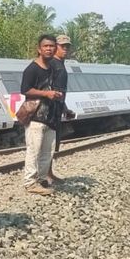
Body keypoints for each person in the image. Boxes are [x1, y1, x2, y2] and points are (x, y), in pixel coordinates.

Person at [21, 34, 62, 195]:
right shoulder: (32, 69)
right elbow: (25, 89)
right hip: (36, 116)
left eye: (52, 46)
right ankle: (30, 182)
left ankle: (42, 179)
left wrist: (62, 107)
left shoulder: (52, 69)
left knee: (48, 150)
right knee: (34, 150)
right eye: (46, 46)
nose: (49, 49)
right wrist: (46, 94)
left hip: (50, 116)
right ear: (39, 49)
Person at [47, 34, 75, 184]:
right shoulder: (51, 64)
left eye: (67, 46)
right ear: (55, 47)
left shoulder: (61, 64)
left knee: (53, 143)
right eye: (62, 46)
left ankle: (49, 172)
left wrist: (64, 107)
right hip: (50, 109)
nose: (65, 49)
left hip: (58, 107)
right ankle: (44, 174)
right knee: (47, 143)